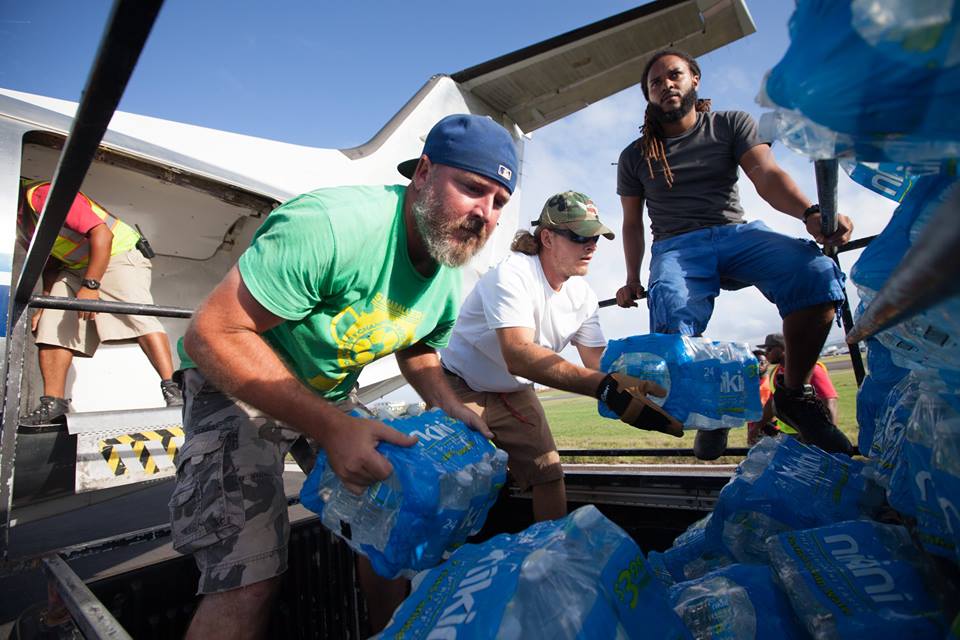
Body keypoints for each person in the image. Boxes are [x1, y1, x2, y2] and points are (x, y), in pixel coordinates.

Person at [172, 114, 519, 639]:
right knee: (248, 575)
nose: (485, 215)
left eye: (499, 203)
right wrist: (333, 428)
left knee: (394, 520)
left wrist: (448, 403)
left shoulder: (447, 267)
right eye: (472, 189)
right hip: (236, 382)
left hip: (329, 392)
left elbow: (419, 348)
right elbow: (212, 333)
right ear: (424, 173)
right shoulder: (333, 226)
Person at [615, 48, 855, 460]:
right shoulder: (634, 156)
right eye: (655, 82)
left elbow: (766, 174)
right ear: (648, 96)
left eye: (674, 75)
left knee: (816, 273)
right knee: (671, 312)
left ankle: (793, 395)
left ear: (694, 79)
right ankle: (714, 411)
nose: (666, 85)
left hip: (735, 234)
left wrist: (809, 213)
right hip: (676, 245)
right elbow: (632, 223)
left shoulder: (729, 124)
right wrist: (633, 278)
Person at [440, 191, 683, 522]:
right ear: (547, 238)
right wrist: (605, 388)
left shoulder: (583, 297)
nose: (591, 246)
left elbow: (598, 363)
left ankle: (553, 548)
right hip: (460, 388)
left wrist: (656, 382)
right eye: (580, 236)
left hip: (513, 391)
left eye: (595, 238)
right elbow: (519, 354)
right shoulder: (512, 275)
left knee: (549, 473)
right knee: (450, 485)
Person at [17, 179, 181, 426]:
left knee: (138, 315)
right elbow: (50, 264)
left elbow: (103, 233)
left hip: (117, 252)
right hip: (76, 267)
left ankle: (175, 390)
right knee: (50, 321)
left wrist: (90, 285)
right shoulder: (17, 220)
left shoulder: (41, 195)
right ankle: (53, 403)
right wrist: (45, 302)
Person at [759, 332, 840, 439]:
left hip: (812, 435)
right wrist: (758, 426)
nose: (766, 353)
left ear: (784, 348)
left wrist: (830, 437)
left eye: (769, 349)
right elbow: (771, 403)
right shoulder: (775, 372)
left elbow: (829, 401)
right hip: (787, 435)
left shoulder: (809, 370)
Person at [746, 347, 779, 446]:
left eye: (762, 362)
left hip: (772, 426)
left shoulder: (774, 381)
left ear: (768, 363)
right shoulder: (747, 384)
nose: (758, 365)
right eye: (755, 362)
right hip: (753, 426)